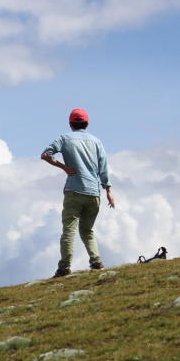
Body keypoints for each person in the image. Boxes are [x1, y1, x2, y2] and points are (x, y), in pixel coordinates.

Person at [41, 108, 115, 278]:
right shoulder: (96, 141)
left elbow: (45, 155)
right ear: (87, 123)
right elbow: (103, 167)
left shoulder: (64, 138)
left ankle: (64, 267)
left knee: (69, 231)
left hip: (74, 190)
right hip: (94, 192)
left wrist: (64, 167)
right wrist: (108, 190)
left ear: (70, 123)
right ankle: (96, 262)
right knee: (87, 230)